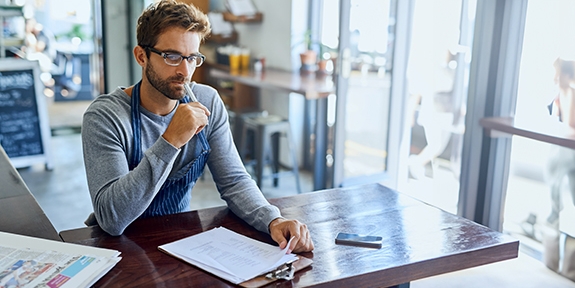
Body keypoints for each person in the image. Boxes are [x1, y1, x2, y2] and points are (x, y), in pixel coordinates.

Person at [81, 0, 313, 253]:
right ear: (141, 56)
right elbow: (113, 219)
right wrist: (170, 141)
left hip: (180, 241)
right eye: (171, 56)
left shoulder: (207, 101)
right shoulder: (105, 116)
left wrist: (273, 219)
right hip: (120, 248)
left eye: (192, 58)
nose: (185, 70)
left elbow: (233, 181)